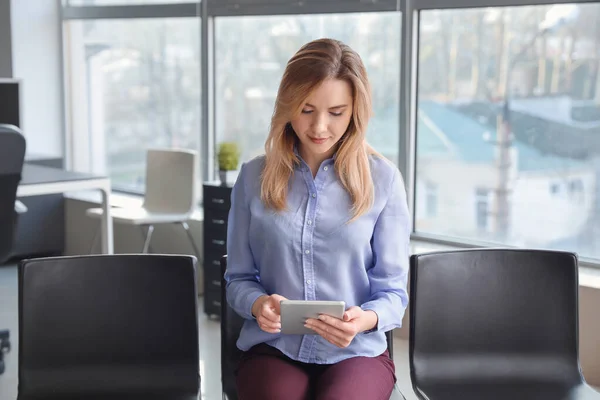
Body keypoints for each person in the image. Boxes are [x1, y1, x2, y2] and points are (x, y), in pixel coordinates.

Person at [224, 38, 410, 400]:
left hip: (356, 351)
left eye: (336, 112)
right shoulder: (252, 178)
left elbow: (392, 292)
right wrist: (257, 304)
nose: (319, 126)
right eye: (306, 110)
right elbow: (238, 279)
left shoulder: (383, 180)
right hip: (274, 347)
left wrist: (365, 320)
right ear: (287, 105)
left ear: (355, 110)